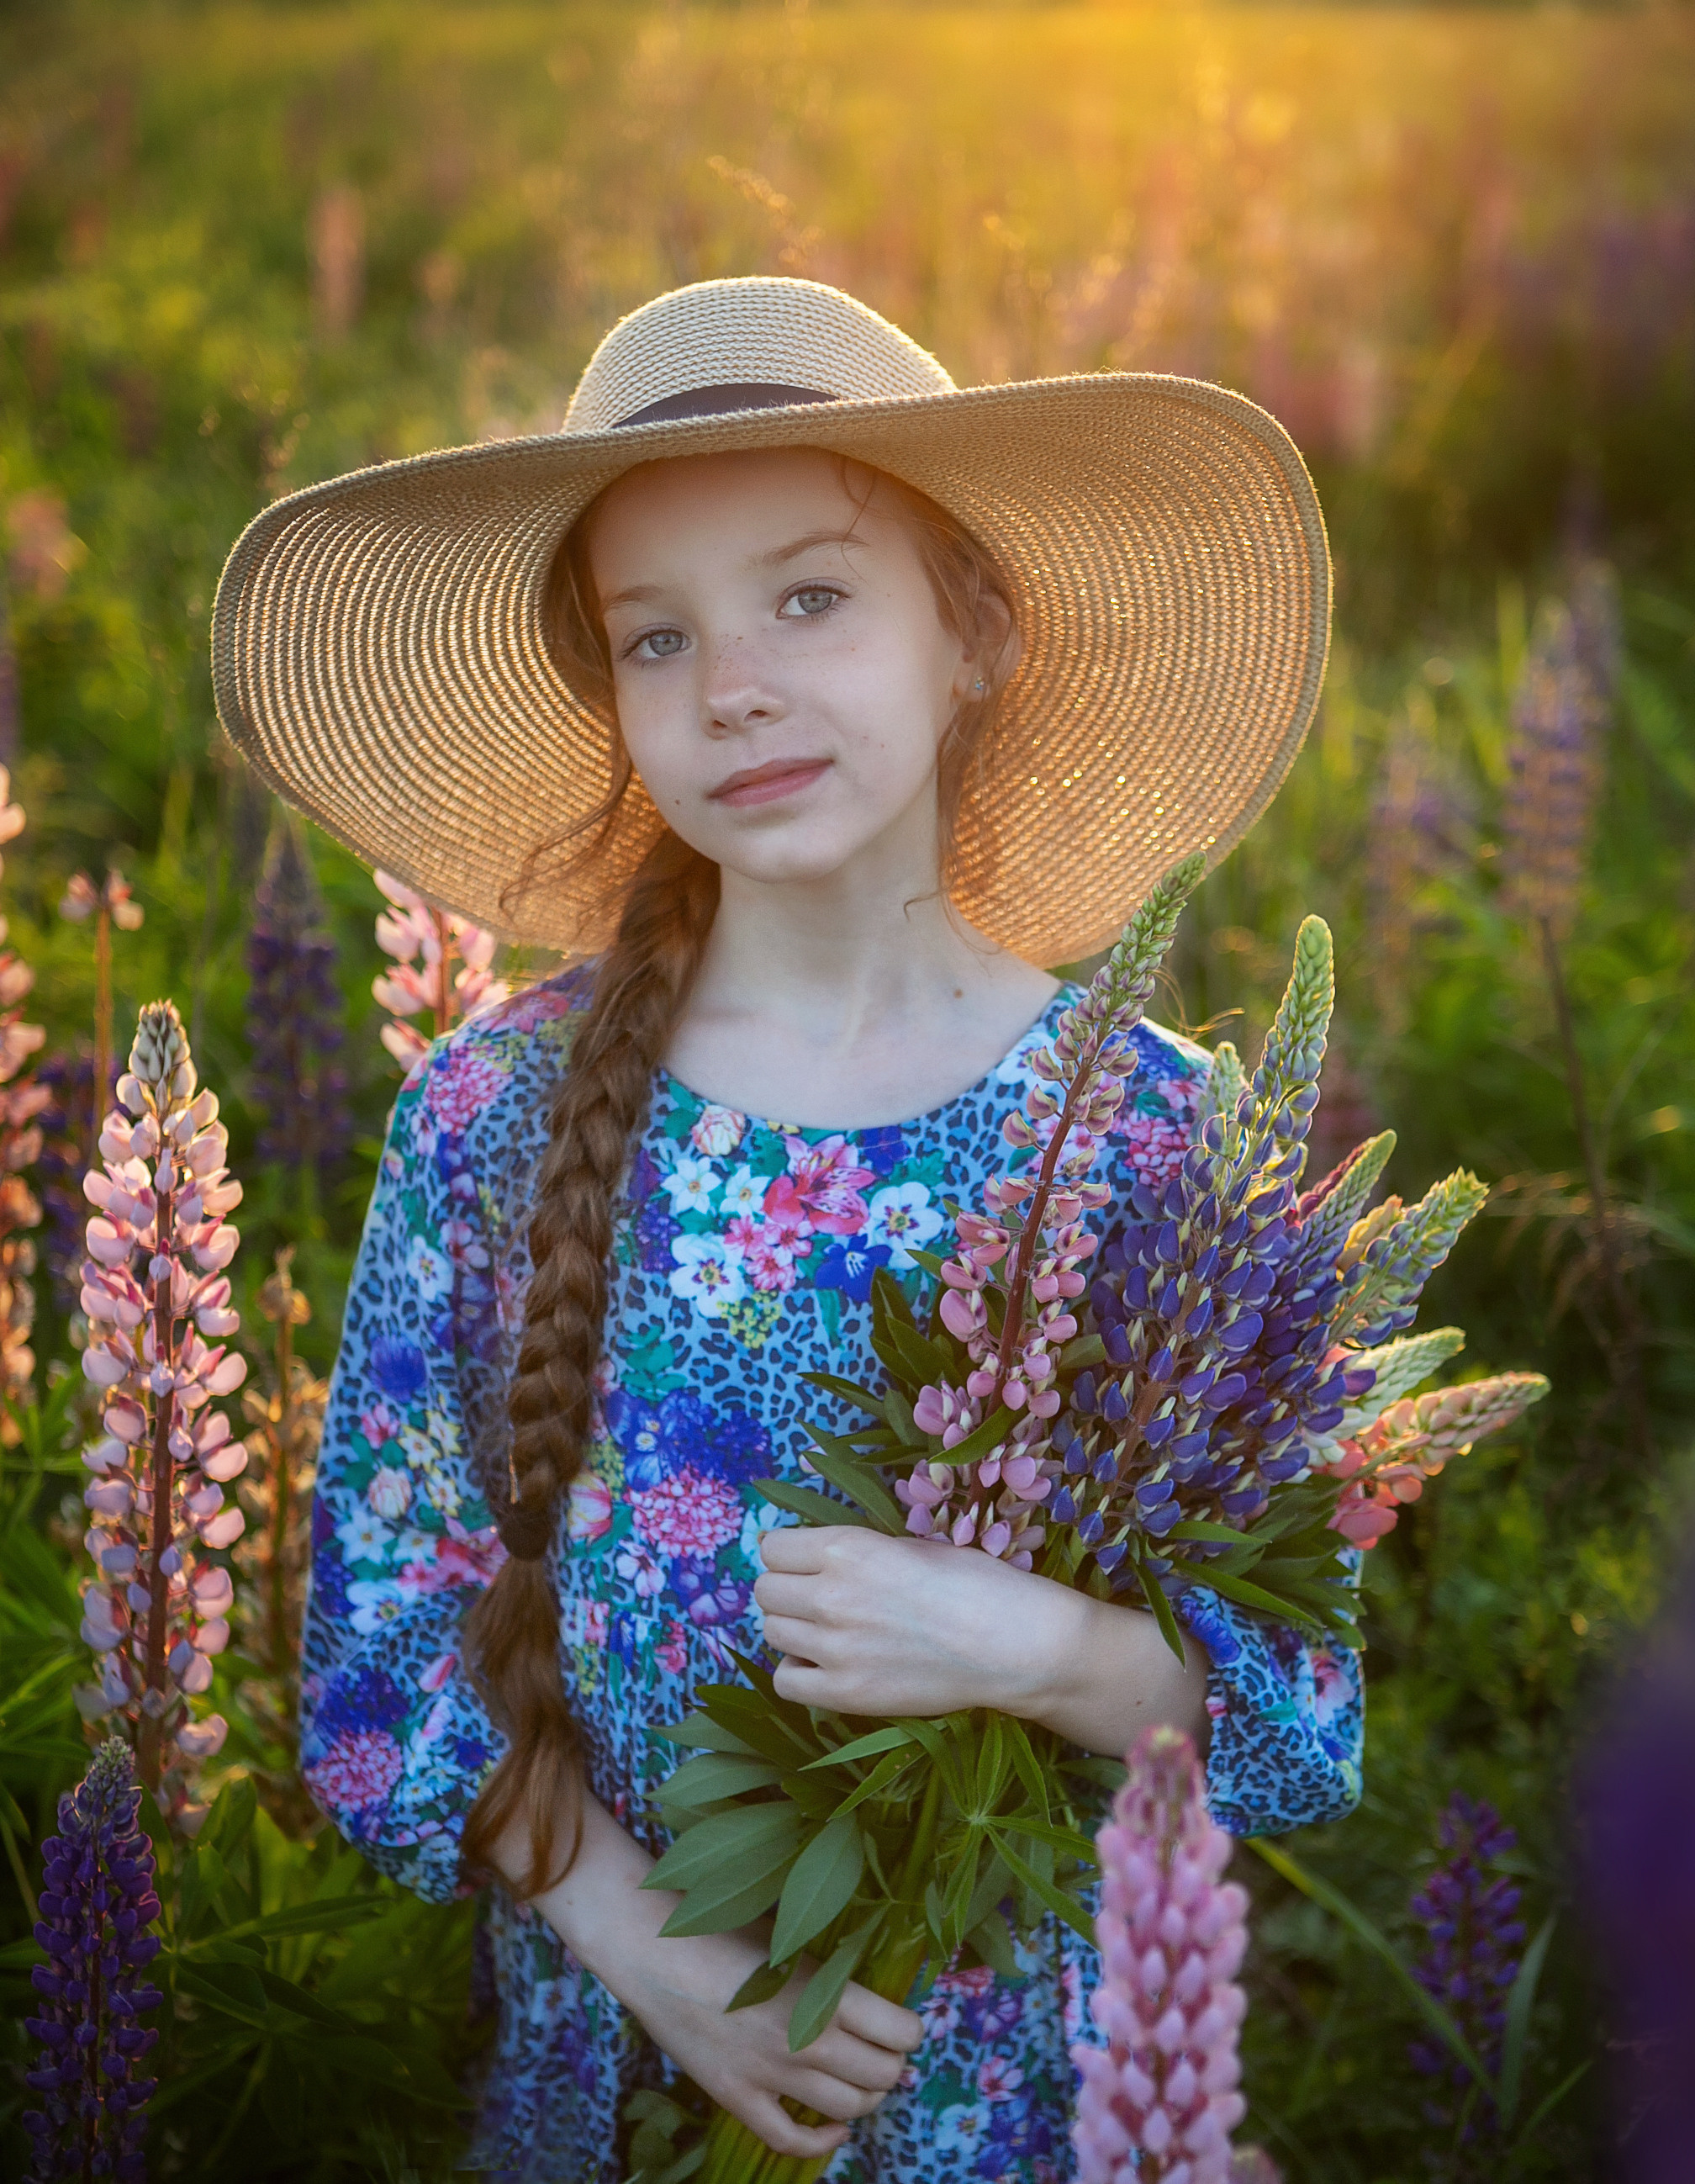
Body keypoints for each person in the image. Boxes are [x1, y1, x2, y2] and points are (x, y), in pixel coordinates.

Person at [214, 277, 1362, 2181]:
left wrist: (1037, 1645)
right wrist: (644, 1947)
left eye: (807, 597)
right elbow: (380, 1654)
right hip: (613, 2085)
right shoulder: (496, 1118)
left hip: (1025, 2108)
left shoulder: (1167, 1140)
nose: (730, 682)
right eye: (653, 638)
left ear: (970, 630)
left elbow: (1286, 1715)